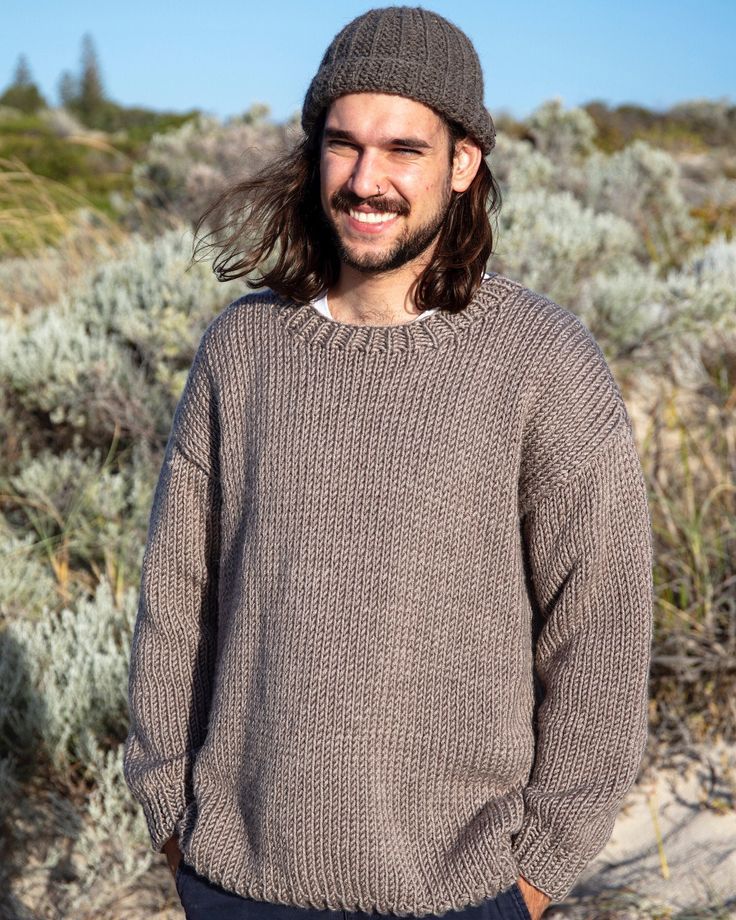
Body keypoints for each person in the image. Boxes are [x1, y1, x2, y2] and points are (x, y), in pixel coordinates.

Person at [123, 7, 654, 920]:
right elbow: (175, 605)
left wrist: (537, 870)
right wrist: (171, 813)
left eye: (403, 149)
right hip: (236, 882)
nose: (368, 181)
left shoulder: (542, 360)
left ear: (462, 163)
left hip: (462, 890)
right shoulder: (242, 350)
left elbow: (600, 628)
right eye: (344, 145)